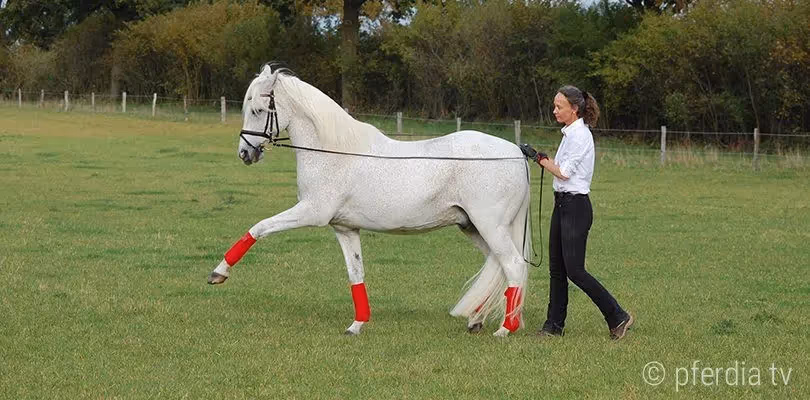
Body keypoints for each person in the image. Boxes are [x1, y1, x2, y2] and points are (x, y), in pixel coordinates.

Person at [520, 85, 633, 340]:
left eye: (559, 107)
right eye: (554, 106)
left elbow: (564, 172)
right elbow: (560, 167)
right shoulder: (569, 135)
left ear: (575, 108)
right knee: (557, 270)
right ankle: (553, 326)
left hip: (576, 208)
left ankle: (618, 316)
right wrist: (545, 159)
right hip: (562, 205)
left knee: (575, 271)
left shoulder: (581, 135)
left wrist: (538, 157)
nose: (554, 110)